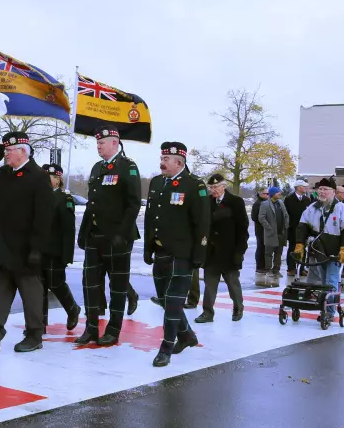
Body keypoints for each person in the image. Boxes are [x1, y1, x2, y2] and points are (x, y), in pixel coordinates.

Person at [0, 132, 53, 353]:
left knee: (31, 294)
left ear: (23, 151)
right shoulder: (4, 173)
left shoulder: (38, 176)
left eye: (8, 151)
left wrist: (37, 249)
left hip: (26, 248)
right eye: (4, 151)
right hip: (3, 245)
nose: (5, 154)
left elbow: (44, 217)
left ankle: (34, 335)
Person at [144, 142, 209, 367]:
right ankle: (186, 335)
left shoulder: (194, 185)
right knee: (164, 300)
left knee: (172, 303)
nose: (162, 162)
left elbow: (202, 224)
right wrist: (147, 247)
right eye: (162, 158)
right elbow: (151, 217)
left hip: (182, 254)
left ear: (179, 162)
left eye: (166, 159)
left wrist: (199, 256)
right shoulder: (157, 183)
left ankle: (166, 347)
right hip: (161, 251)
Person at [76, 127, 141, 346]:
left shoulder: (127, 166)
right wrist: (83, 233)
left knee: (117, 286)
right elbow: (91, 204)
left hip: (117, 238)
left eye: (102, 142)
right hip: (95, 236)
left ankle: (113, 329)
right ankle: (91, 328)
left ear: (115, 142)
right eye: (97, 143)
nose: (98, 146)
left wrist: (122, 234)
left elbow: (133, 204)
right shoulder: (97, 168)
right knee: (90, 284)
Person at [293, 177, 344, 321]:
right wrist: (299, 244)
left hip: (335, 250)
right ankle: (323, 306)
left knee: (331, 280)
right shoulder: (312, 208)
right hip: (318, 249)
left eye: (325, 190)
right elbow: (302, 227)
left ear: (333, 192)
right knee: (323, 282)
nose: (321, 192)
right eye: (319, 189)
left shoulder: (343, 209)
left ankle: (330, 311)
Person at [194, 174, 248, 323]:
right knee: (210, 285)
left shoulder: (236, 202)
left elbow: (243, 229)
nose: (213, 190)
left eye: (216, 187)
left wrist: (239, 251)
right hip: (211, 252)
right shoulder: (207, 202)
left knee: (232, 284)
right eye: (211, 187)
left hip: (229, 252)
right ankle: (207, 313)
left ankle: (238, 308)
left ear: (223, 186)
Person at [39, 163, 81, 332]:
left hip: (55, 251)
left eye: (49, 178)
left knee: (56, 283)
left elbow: (68, 230)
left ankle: (72, 309)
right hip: (39, 250)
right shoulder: (39, 197)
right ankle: (39, 324)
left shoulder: (65, 199)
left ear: (58, 179)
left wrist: (67, 255)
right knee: (39, 286)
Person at [258, 186, 289, 280]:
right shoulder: (265, 204)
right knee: (268, 253)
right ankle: (268, 270)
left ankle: (276, 270)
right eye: (277, 192)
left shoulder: (281, 203)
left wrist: (286, 225)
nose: (279, 193)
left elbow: (286, 215)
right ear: (272, 194)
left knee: (278, 253)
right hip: (270, 233)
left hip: (281, 232)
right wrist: (269, 228)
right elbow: (261, 218)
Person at [283, 179, 311, 277]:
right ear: (299, 187)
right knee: (292, 248)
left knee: (303, 248)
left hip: (304, 229)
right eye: (304, 186)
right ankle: (291, 268)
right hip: (293, 228)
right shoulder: (289, 199)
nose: (305, 188)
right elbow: (286, 214)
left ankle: (301, 268)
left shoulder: (307, 200)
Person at [252, 188, 269, 274]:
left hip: (266, 230)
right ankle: (260, 266)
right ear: (261, 194)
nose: (267, 195)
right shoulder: (257, 204)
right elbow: (254, 217)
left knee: (265, 248)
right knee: (260, 248)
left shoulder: (265, 203)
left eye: (268, 194)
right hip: (260, 230)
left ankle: (265, 265)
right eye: (266, 194)